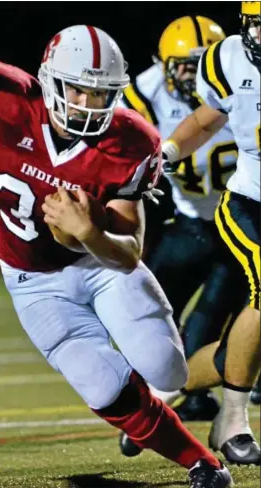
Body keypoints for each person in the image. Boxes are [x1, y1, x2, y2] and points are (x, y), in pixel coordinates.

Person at [0, 15, 233, 487]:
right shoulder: (4, 101)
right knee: (100, 383)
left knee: (167, 371)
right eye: (77, 90)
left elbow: (129, 251)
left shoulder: (131, 140)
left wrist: (87, 232)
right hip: (33, 279)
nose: (87, 103)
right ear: (51, 80)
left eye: (100, 93)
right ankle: (203, 463)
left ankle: (168, 390)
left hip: (101, 267)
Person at [118, 16, 248, 437]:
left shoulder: (240, 78)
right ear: (163, 64)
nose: (191, 75)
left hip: (239, 214)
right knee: (150, 307)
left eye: (199, 64)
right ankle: (140, 389)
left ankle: (194, 393)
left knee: (212, 315)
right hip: (189, 220)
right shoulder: (145, 92)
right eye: (183, 66)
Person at [145, 1, 260, 466]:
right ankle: (233, 419)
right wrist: (165, 152)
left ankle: (165, 393)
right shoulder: (228, 58)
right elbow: (208, 117)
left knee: (249, 336)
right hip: (251, 202)